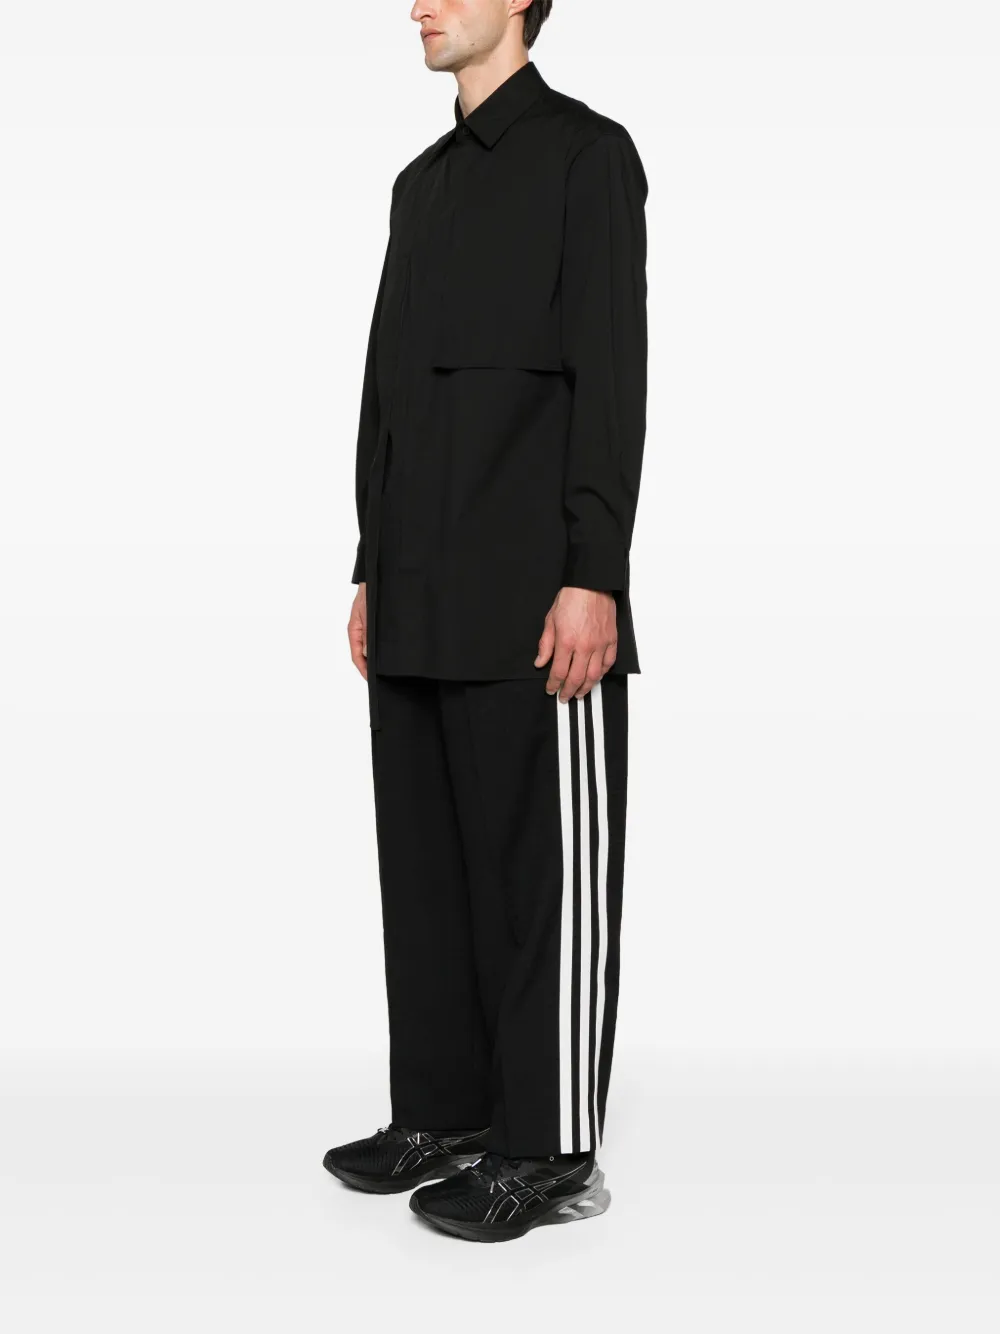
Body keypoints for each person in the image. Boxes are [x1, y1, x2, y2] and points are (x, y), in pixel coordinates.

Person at [323, 0, 648, 1243]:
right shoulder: (421, 186)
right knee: (426, 872)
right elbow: (387, 389)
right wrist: (372, 564)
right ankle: (443, 1110)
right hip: (416, 588)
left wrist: (594, 571)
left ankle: (547, 1147)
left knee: (538, 879)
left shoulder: (586, 156)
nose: (417, 4)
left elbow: (610, 371)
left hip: (533, 596)